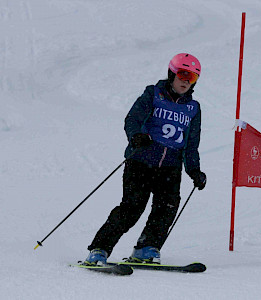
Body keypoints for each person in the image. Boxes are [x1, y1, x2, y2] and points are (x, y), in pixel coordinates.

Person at [85, 53, 207, 265]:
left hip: (170, 167)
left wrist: (194, 171)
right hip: (141, 161)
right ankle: (99, 249)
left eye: (193, 77)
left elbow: (191, 144)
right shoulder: (153, 94)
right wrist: (136, 136)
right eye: (183, 74)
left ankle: (146, 248)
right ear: (172, 73)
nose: (186, 81)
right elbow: (133, 118)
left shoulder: (193, 109)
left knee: (166, 209)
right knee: (132, 208)